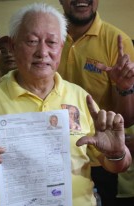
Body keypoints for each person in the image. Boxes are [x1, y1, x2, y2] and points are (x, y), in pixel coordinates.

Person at [0, 3, 132, 206]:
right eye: (32, 41)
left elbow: (118, 165)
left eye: (51, 42)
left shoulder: (80, 98)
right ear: (13, 46)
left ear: (60, 48)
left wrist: (116, 153)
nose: (43, 52)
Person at [57, 0, 134, 205]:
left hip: (101, 157)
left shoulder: (117, 40)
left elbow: (125, 120)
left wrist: (124, 87)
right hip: (55, 155)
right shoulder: (51, 38)